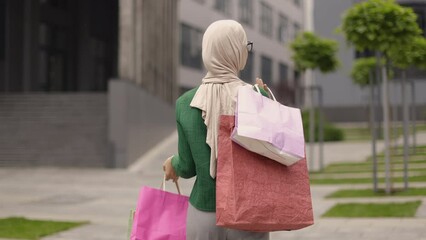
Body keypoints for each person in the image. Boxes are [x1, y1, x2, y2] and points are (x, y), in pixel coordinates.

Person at [163, 20, 270, 240]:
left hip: (204, 214)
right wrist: (267, 99)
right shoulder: (257, 97)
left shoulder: (185, 103)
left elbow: (187, 167)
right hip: (248, 214)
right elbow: (271, 156)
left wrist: (171, 164)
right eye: (245, 47)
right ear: (236, 51)